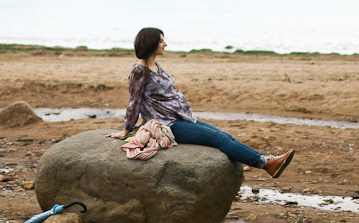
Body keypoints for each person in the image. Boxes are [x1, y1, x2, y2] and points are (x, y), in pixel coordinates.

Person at [107, 27, 295, 178]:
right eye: (161, 40)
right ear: (151, 43)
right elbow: (134, 102)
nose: (165, 44)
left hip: (181, 117)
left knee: (224, 135)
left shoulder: (156, 67)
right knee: (218, 139)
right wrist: (126, 129)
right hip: (167, 124)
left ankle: (260, 162)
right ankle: (266, 163)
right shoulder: (139, 71)